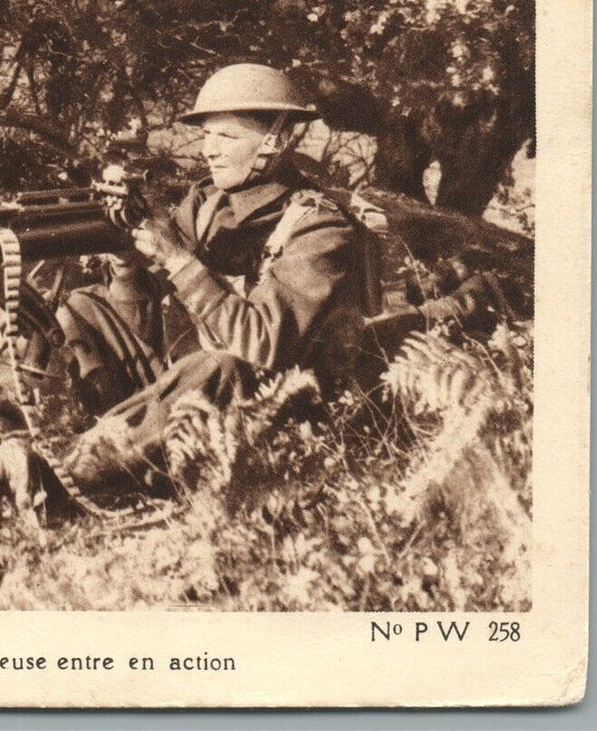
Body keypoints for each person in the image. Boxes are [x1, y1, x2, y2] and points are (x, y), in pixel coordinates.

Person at [55, 63, 373, 494]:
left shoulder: (319, 228)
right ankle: (44, 430)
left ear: (276, 140)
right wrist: (128, 265)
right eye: (206, 135)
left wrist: (178, 259)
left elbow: (261, 345)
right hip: (192, 382)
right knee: (83, 307)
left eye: (226, 137)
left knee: (217, 366)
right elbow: (152, 311)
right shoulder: (207, 205)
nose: (209, 150)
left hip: (271, 408)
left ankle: (75, 475)